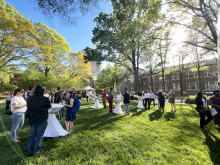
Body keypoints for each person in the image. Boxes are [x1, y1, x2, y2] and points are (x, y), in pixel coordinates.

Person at [26, 85, 51, 156]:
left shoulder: (30, 98)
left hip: (32, 118)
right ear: (43, 91)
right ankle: (36, 151)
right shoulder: (45, 99)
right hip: (42, 119)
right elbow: (48, 106)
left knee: (32, 135)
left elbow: (28, 109)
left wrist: (27, 117)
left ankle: (29, 151)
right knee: (39, 135)